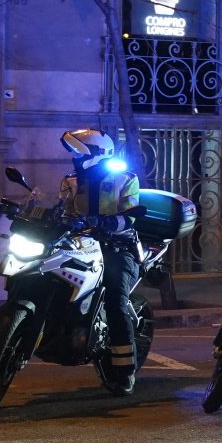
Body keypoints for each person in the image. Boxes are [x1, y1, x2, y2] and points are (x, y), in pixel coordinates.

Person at [59, 129, 142, 394]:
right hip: (81, 246)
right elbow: (63, 210)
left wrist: (106, 222)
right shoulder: (70, 181)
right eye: (73, 153)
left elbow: (131, 217)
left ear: (95, 155)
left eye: (78, 153)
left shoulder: (125, 178)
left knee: (115, 298)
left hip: (117, 247)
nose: (74, 158)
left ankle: (125, 371)